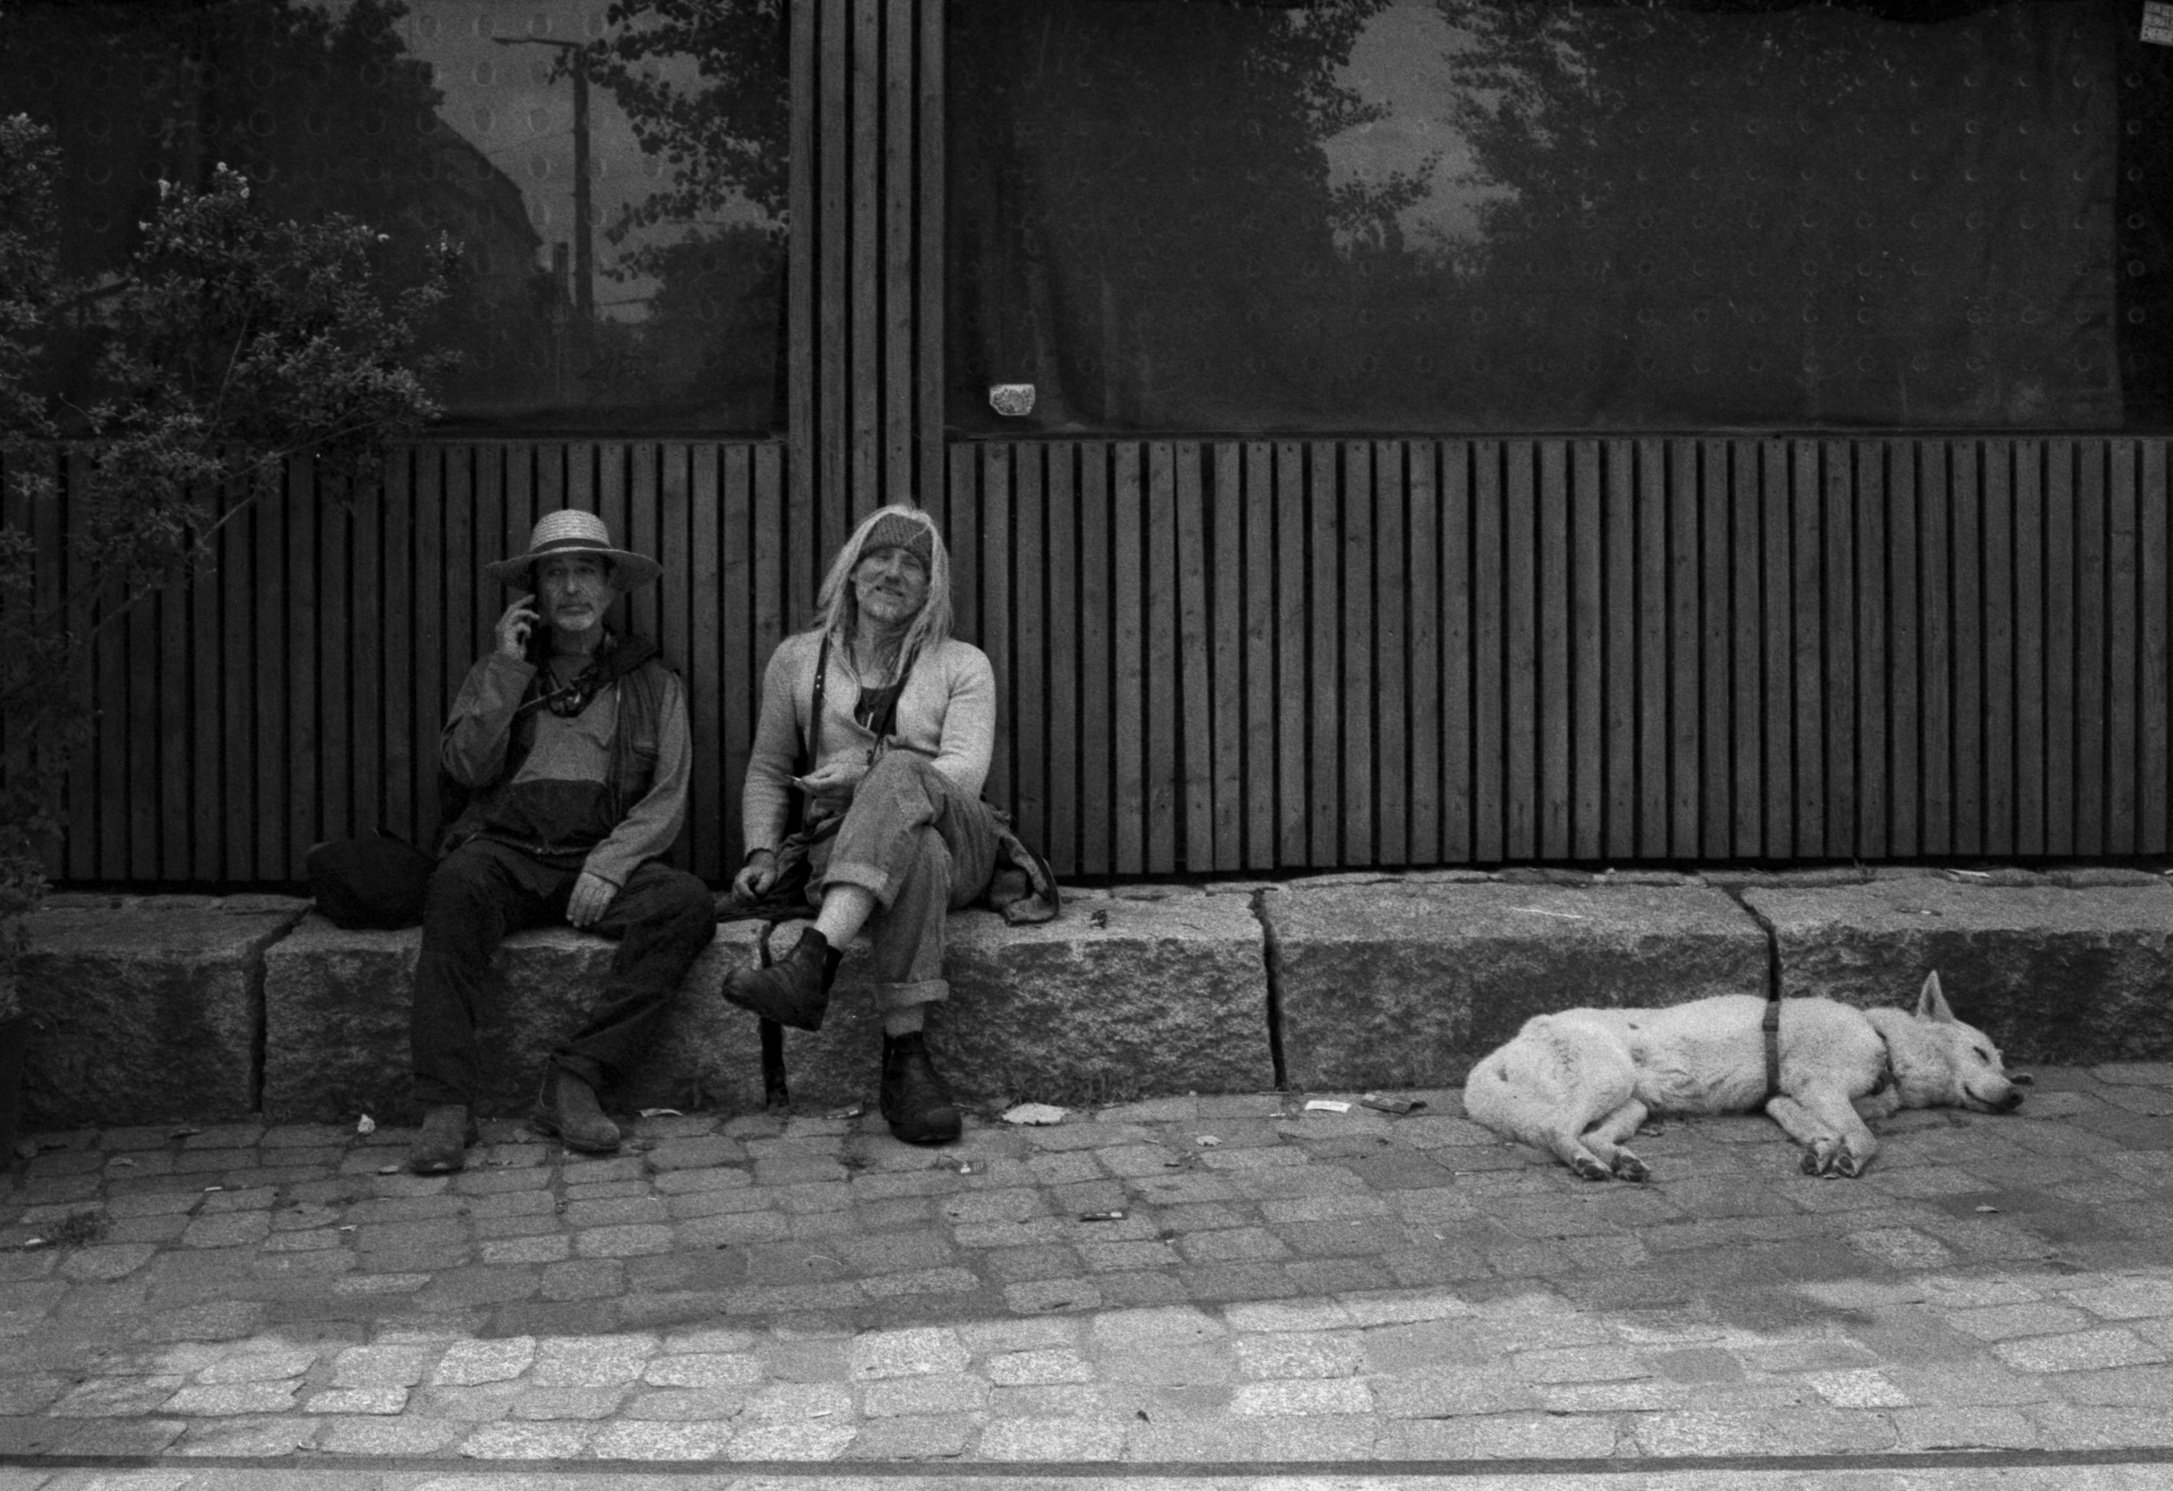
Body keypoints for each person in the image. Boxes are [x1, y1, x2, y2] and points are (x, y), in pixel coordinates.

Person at [398, 509, 714, 1173]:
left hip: (594, 861)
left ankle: (577, 1077)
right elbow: (464, 768)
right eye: (555, 574)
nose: (571, 588)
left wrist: (610, 864)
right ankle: (446, 1104)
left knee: (684, 903)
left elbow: (666, 797)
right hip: (506, 852)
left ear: (610, 588)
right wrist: (505, 671)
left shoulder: (654, 682)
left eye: (584, 573)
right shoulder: (501, 673)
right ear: (535, 594)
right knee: (453, 886)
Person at [723, 504, 1026, 1145]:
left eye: (912, 565)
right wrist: (760, 851)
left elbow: (961, 779)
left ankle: (813, 963)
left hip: (962, 836)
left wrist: (868, 774)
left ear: (931, 587)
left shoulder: (963, 664)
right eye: (879, 558)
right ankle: (907, 1061)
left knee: (899, 779)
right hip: (844, 848)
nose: (893, 574)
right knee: (916, 856)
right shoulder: (797, 660)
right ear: (852, 572)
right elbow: (767, 768)